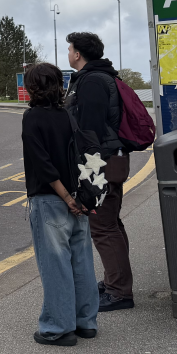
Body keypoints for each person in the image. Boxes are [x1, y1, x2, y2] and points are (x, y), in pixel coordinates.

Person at [21, 62, 98, 346]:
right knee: (82, 261)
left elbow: (42, 164)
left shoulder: (32, 118)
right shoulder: (68, 116)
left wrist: (65, 198)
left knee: (55, 265)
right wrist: (77, 199)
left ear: (32, 88)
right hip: (80, 198)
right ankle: (85, 322)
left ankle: (57, 327)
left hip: (50, 200)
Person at [65, 30, 133, 312]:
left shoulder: (91, 81)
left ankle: (119, 293)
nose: (68, 53)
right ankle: (115, 282)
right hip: (109, 158)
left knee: (103, 227)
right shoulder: (102, 76)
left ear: (78, 54)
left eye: (70, 49)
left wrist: (85, 171)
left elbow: (88, 130)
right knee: (111, 223)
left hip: (100, 162)